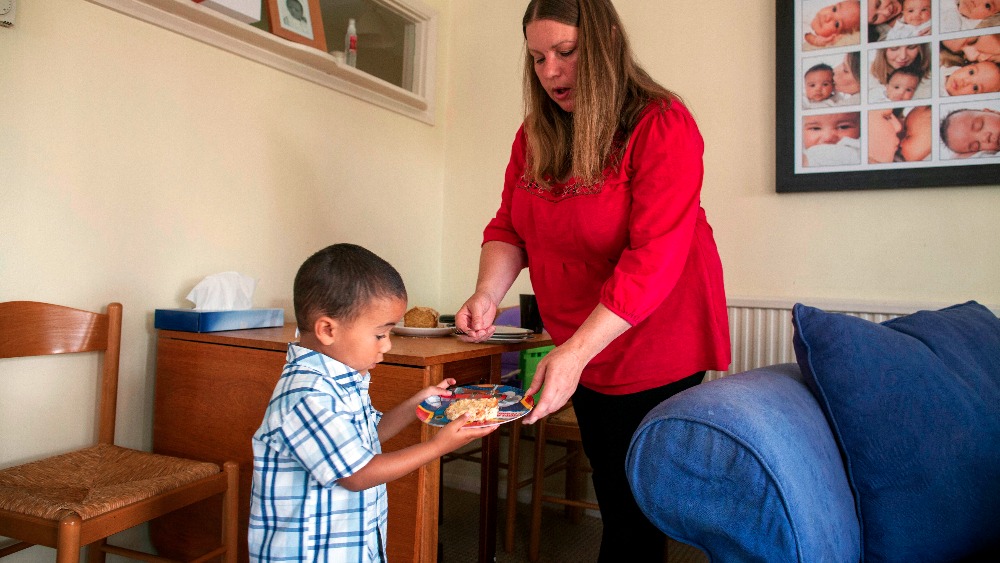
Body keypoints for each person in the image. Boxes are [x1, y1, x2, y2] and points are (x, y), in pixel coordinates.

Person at [454, 1, 730, 560]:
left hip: (654, 334)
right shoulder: (534, 135)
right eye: (537, 58)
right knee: (611, 483)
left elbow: (655, 256)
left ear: (603, 45)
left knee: (633, 506)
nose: (550, 71)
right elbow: (509, 226)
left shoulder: (661, 122)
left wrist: (576, 351)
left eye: (565, 52)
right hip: (584, 336)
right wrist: (487, 293)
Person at [248, 243, 496, 562]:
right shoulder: (308, 394)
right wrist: (437, 447)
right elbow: (357, 474)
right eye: (380, 335)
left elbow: (368, 436)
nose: (387, 346)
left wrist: (417, 404)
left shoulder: (342, 378)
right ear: (327, 330)